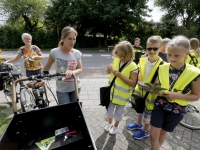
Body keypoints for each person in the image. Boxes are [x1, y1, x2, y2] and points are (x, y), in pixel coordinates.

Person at [148, 36, 200, 150]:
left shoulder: (195, 73)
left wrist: (176, 95)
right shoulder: (162, 67)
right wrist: (155, 89)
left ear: (187, 53)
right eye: (169, 54)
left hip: (177, 109)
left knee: (162, 134)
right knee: (152, 136)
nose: (171, 58)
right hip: (160, 104)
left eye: (176, 55)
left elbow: (196, 96)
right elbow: (161, 84)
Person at [126, 36, 163, 139]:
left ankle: (145, 130)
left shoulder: (163, 65)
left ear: (160, 48)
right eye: (149, 48)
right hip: (140, 91)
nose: (151, 51)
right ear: (146, 47)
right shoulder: (142, 60)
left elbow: (162, 84)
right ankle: (138, 124)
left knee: (148, 114)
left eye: (155, 48)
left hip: (151, 95)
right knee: (139, 109)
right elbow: (139, 73)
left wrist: (153, 88)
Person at [105, 41, 138, 134]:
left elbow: (132, 83)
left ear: (129, 54)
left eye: (122, 56)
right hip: (111, 93)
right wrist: (108, 69)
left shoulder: (133, 66)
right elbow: (108, 73)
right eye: (117, 54)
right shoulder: (116, 59)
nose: (119, 57)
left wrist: (119, 75)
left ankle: (116, 126)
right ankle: (110, 123)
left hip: (122, 96)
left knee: (118, 113)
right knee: (109, 111)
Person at [43, 26, 82, 105]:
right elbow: (47, 66)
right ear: (63, 38)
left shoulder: (77, 53)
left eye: (74, 39)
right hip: (62, 89)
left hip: (75, 87)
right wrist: (42, 77)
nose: (72, 42)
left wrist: (72, 72)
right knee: (65, 112)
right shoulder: (54, 52)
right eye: (69, 39)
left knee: (74, 110)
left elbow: (80, 69)